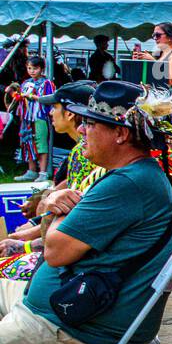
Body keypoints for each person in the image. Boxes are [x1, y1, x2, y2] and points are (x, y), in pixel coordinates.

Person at [0, 80, 172, 344]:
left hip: (71, 327)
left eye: (90, 123)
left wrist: (54, 204)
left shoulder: (127, 184)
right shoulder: (137, 176)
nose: (82, 131)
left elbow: (55, 251)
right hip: (68, 311)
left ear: (121, 134)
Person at [0, 82, 101, 280]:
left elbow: (72, 215)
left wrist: (27, 240)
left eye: (54, 108)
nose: (50, 114)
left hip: (70, 266)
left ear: (70, 114)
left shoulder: (84, 153)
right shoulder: (80, 152)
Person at [134, 22, 172, 196]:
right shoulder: (163, 55)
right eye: (153, 35)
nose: (155, 39)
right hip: (159, 106)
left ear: (169, 36)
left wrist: (152, 62)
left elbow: (170, 79)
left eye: (157, 35)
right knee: (161, 145)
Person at [9, 55, 54, 182]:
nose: (32, 71)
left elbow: (50, 99)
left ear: (41, 69)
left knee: (41, 142)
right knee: (27, 141)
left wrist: (33, 97)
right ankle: (31, 170)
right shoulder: (26, 83)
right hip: (26, 118)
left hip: (40, 117)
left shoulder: (47, 83)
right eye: (29, 68)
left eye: (35, 68)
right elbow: (19, 97)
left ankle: (43, 172)